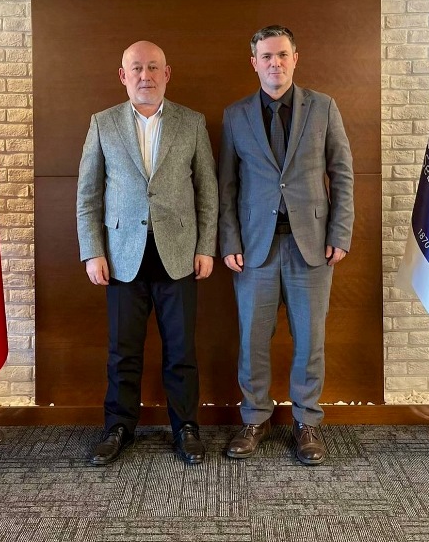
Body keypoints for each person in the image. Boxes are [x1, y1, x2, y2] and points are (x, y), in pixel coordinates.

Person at [77, 40, 218, 466]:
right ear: (123, 76)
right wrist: (92, 251)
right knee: (123, 351)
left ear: (167, 73)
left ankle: (186, 427)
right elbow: (88, 195)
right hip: (121, 256)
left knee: (181, 350)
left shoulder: (191, 122)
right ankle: (118, 427)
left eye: (154, 67)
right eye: (136, 68)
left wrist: (206, 246)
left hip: (179, 253)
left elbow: (207, 191)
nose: (145, 75)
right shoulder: (102, 123)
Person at [218, 25, 353, 465]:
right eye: (266, 56)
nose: (274, 63)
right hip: (254, 249)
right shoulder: (235, 115)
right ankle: (254, 417)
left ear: (295, 58)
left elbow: (342, 173)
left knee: (310, 339)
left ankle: (307, 422)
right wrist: (229, 240)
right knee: (253, 339)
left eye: (281, 55)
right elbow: (226, 186)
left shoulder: (323, 107)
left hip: (311, 246)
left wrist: (340, 233)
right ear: (254, 63)